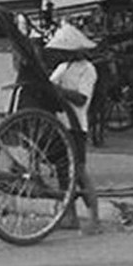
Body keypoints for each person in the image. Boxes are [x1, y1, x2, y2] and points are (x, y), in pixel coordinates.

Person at [46, 22, 101, 235]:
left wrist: (60, 91)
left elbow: (81, 99)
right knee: (63, 173)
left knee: (79, 172)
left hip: (77, 126)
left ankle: (94, 219)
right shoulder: (63, 67)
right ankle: (70, 216)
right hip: (60, 124)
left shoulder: (88, 70)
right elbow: (51, 86)